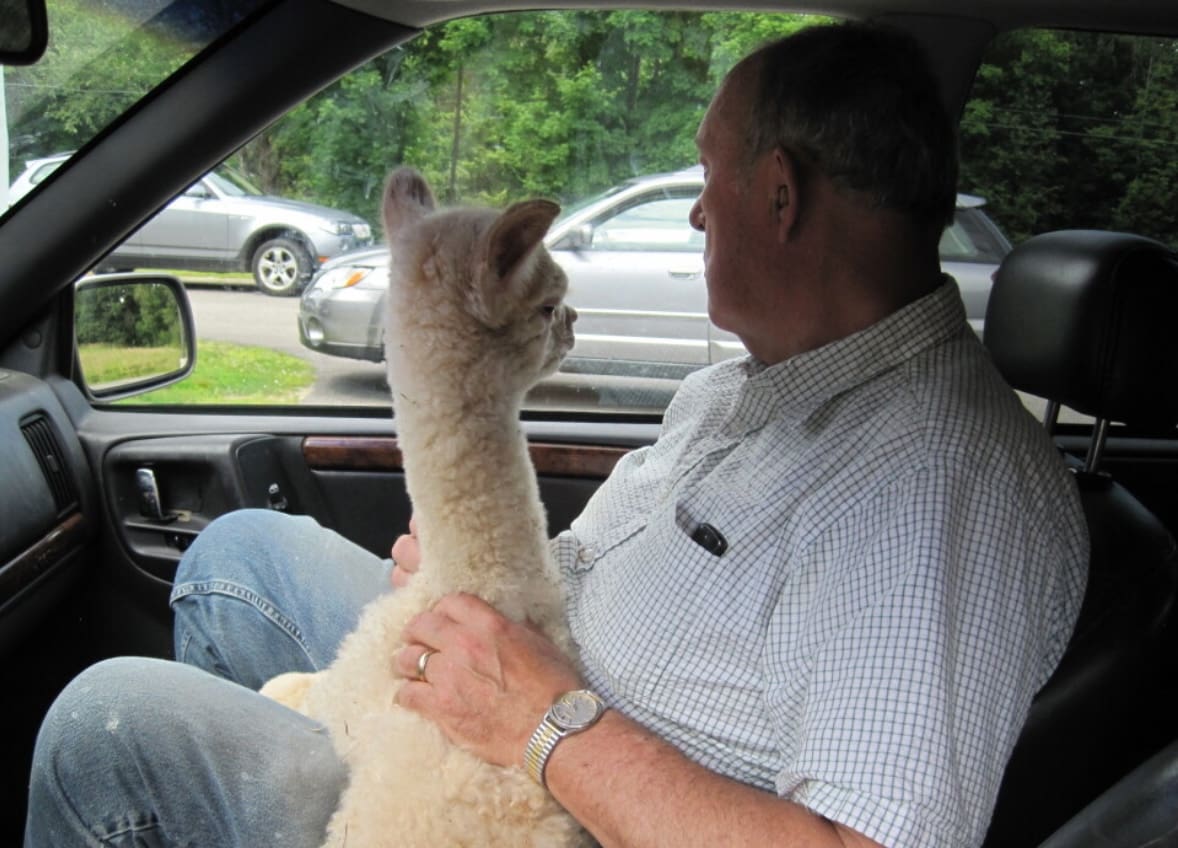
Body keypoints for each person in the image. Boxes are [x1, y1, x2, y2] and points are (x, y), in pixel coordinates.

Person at [25, 21, 1087, 848]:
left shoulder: (938, 485)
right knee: (234, 556)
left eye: (705, 173)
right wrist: (471, 576)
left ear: (776, 196)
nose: (692, 213)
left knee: (100, 727)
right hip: (517, 686)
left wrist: (541, 717)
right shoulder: (758, 389)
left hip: (540, 798)